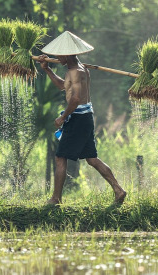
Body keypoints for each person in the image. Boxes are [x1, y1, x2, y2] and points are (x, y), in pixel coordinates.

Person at [37, 31, 126, 206]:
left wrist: (63, 117)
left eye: (59, 54)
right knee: (91, 158)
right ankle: (118, 190)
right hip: (85, 117)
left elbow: (75, 99)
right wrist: (47, 69)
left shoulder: (76, 72)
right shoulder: (79, 70)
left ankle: (56, 199)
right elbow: (64, 86)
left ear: (67, 54)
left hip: (78, 119)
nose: (57, 57)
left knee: (60, 157)